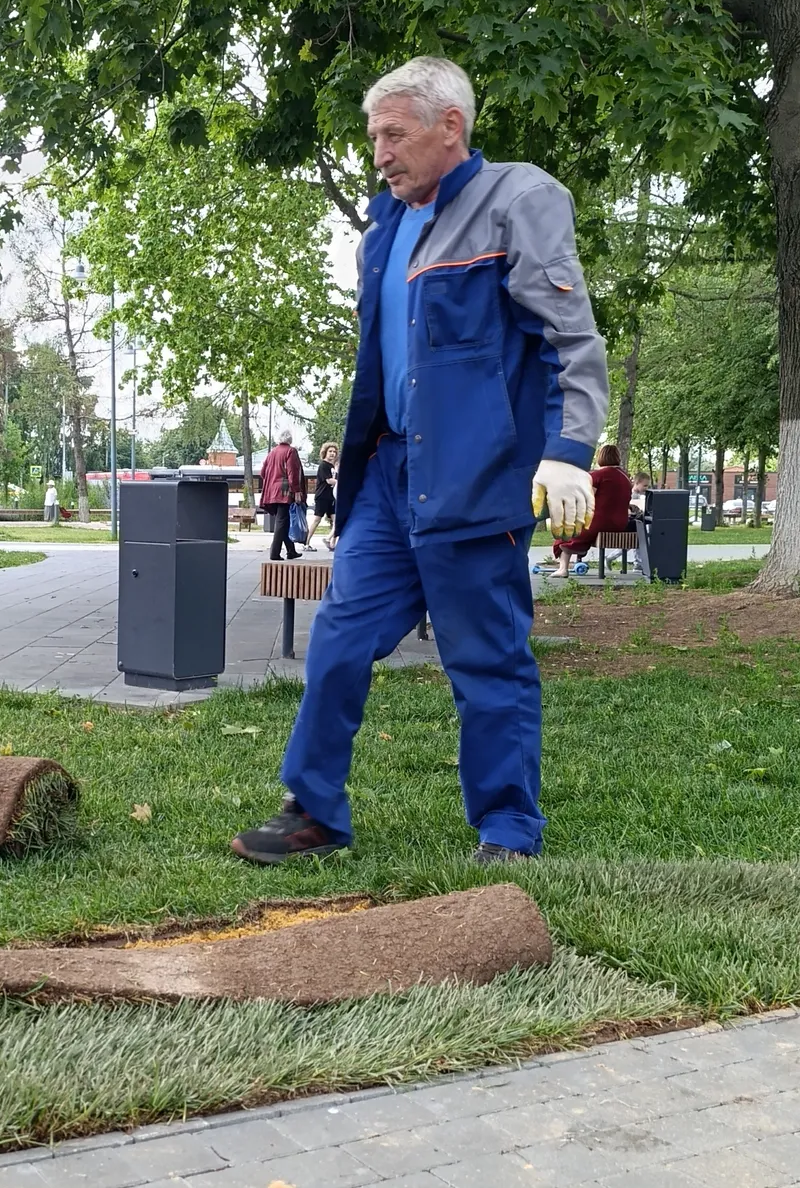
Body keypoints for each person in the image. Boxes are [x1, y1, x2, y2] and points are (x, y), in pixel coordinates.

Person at [230, 56, 606, 868]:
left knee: (486, 661)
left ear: (451, 128)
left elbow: (571, 340)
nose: (380, 153)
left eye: (394, 135)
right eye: (374, 138)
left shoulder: (521, 199)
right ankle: (315, 810)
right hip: (389, 482)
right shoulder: (383, 230)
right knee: (337, 639)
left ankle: (507, 830)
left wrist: (569, 451)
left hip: (478, 480)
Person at [543, 444, 631, 577]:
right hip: (620, 523)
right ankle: (576, 556)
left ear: (600, 457)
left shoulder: (597, 475)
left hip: (599, 521)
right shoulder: (625, 477)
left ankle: (563, 569)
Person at [259, 429, 306, 561]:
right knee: (281, 521)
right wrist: (297, 490)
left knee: (283, 520)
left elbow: (262, 473)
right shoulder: (291, 451)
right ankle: (274, 553)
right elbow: (293, 472)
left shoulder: (272, 452)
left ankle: (291, 551)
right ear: (290, 440)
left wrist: (272, 481)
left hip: (271, 491)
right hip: (285, 491)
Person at [303, 443, 339, 552]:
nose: (332, 454)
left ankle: (331, 543)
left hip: (331, 497)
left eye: (334, 452)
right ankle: (306, 543)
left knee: (336, 520)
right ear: (325, 453)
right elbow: (329, 481)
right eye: (330, 451)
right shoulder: (323, 465)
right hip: (322, 496)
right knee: (317, 520)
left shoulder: (332, 467)